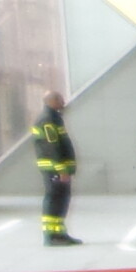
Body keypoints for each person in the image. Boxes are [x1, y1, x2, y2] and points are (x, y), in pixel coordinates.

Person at [32, 89, 78, 246]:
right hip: (54, 168)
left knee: (61, 200)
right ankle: (52, 236)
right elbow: (52, 146)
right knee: (55, 200)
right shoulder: (48, 120)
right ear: (52, 101)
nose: (63, 102)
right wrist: (61, 168)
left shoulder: (54, 118)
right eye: (60, 99)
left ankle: (59, 233)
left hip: (57, 168)